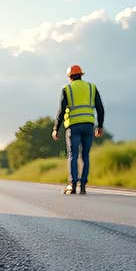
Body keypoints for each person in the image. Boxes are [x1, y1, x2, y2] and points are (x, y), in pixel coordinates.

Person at [52, 65, 105, 195]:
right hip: (88, 125)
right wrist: (100, 125)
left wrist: (56, 128)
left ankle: (73, 184)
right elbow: (100, 108)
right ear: (81, 75)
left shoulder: (67, 89)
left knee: (73, 156)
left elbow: (61, 110)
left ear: (70, 77)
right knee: (85, 156)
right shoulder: (91, 87)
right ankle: (83, 187)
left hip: (73, 126)